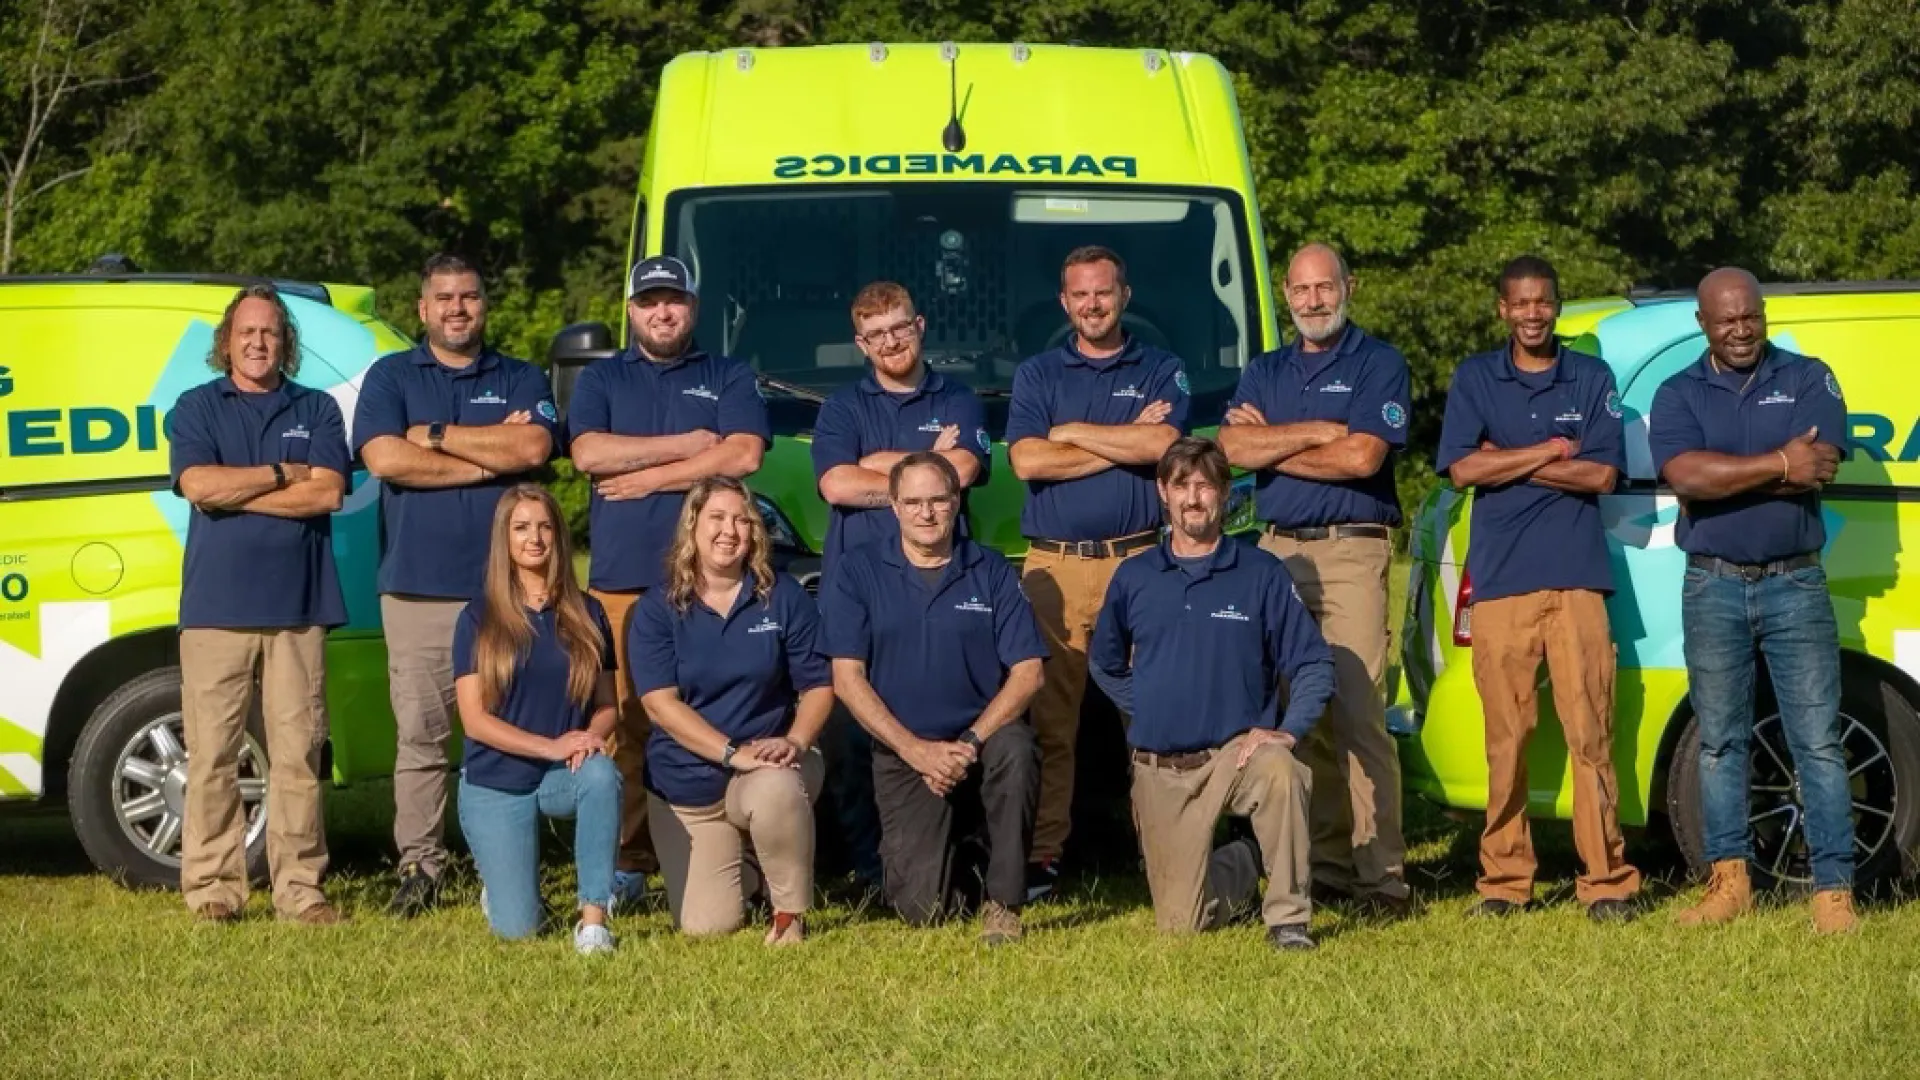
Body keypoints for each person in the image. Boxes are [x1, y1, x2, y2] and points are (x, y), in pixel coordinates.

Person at [1648, 267, 1859, 934]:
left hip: (1795, 581)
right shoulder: (1678, 391)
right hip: (1711, 583)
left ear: (1762, 314)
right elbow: (1685, 476)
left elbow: (1818, 467)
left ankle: (1833, 893)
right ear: (1703, 324)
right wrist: (1776, 465)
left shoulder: (1807, 376)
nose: (1741, 329)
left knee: (1818, 742)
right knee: (1718, 743)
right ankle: (1729, 884)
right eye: (1726, 319)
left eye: (1750, 316)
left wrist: (1728, 477)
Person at [1435, 256, 1642, 922]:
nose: (1532, 313)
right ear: (1502, 309)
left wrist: (1510, 465)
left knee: (1591, 736)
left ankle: (1606, 881)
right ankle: (1504, 882)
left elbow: (1603, 477)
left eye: (1543, 302)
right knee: (1507, 739)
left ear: (1556, 305)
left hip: (1577, 582)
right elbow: (1464, 469)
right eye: (1520, 303)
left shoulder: (1590, 376)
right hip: (1502, 585)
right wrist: (1549, 453)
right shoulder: (1475, 377)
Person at [356, 254, 562, 915]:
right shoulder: (391, 377)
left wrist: (438, 437)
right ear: (422, 309)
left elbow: (533, 451)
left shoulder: (521, 375)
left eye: (468, 296)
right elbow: (386, 457)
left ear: (484, 304)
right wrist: (482, 464)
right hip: (417, 589)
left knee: (508, 726)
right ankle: (420, 868)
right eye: (442, 298)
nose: (456, 308)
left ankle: (506, 864)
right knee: (421, 734)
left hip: (507, 591)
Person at [567, 255, 772, 910]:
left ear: (693, 308)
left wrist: (649, 477)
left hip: (714, 580)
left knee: (718, 709)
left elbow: (744, 453)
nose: (663, 312)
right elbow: (588, 454)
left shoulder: (727, 373)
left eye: (674, 301)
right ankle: (631, 858)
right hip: (625, 581)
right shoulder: (603, 377)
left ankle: (721, 843)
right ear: (630, 310)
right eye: (650, 301)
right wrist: (687, 445)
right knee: (628, 719)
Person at [1216, 242, 1413, 917]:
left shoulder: (1378, 363)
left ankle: (1382, 877)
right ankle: (1326, 865)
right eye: (1299, 290)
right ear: (1286, 295)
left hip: (1351, 550)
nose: (1312, 301)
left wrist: (1277, 444)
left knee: (1359, 713)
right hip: (1278, 554)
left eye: (1323, 288)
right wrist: (1313, 432)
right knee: (1302, 715)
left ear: (1348, 287)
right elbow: (1232, 449)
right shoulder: (1266, 368)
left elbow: (1362, 458)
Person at [1091, 438, 1334, 950]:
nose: (1193, 498)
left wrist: (1286, 732)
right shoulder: (1134, 576)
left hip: (1235, 752)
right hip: (1161, 765)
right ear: (1163, 492)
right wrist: (1151, 703)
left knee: (1281, 771)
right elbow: (1105, 662)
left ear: (1225, 493)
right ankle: (1246, 860)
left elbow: (1312, 662)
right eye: (1182, 485)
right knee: (1184, 923)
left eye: (1205, 485)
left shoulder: (1260, 572)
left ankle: (1288, 919)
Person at [1005, 245, 1189, 899]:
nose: (1092, 304)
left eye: (1103, 292)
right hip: (1055, 570)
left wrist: (1074, 430)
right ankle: (1045, 856)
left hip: (1140, 562)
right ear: (1064, 303)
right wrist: (1119, 438)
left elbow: (1163, 446)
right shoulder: (1037, 373)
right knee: (1050, 724)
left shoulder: (1162, 367)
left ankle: (1166, 852)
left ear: (1124, 295)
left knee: (1152, 718)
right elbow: (1027, 461)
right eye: (1080, 295)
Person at [170, 284, 349, 925]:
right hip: (215, 611)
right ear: (226, 342)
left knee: (298, 756)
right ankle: (215, 890)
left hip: (299, 610)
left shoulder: (318, 408)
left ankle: (300, 891)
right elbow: (198, 485)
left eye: (270, 332)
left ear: (285, 342)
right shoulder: (197, 407)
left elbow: (326, 494)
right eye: (246, 332)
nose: (258, 343)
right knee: (213, 756)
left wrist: (235, 490)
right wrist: (280, 474)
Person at [822, 453, 1047, 943]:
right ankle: (967, 853)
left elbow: (1029, 673)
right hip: (906, 750)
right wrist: (915, 750)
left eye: (938, 501)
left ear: (956, 501)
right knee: (923, 909)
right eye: (914, 502)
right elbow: (847, 678)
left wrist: (971, 741)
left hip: (981, 741)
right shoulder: (858, 571)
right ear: (895, 508)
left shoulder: (989, 569)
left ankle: (1005, 902)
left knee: (1018, 749)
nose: (927, 513)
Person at [811, 280, 991, 894]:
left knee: (943, 714)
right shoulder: (840, 407)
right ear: (861, 343)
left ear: (920, 326)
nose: (891, 341)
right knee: (852, 732)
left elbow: (962, 470)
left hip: (939, 583)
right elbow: (835, 484)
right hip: (859, 587)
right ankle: (866, 867)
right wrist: (924, 460)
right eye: (876, 333)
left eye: (899, 327)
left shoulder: (960, 397)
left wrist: (879, 463)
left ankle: (951, 860)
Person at [629, 478, 835, 943]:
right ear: (693, 527)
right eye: (717, 519)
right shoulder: (657, 608)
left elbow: (819, 686)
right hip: (688, 786)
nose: (730, 531)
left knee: (776, 788)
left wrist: (796, 741)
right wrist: (730, 753)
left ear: (756, 533)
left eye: (743, 520)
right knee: (707, 926)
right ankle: (750, 863)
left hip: (768, 764)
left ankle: (788, 914)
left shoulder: (783, 596)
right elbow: (660, 705)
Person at [452, 484, 621, 952]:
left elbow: (609, 705)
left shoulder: (588, 613)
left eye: (545, 526)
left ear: (559, 535)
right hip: (496, 780)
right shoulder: (477, 617)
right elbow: (475, 721)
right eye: (521, 527)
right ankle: (503, 887)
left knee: (601, 774)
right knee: (519, 929)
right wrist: (553, 746)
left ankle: (593, 922)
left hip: (559, 775)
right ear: (503, 539)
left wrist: (589, 737)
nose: (535, 538)